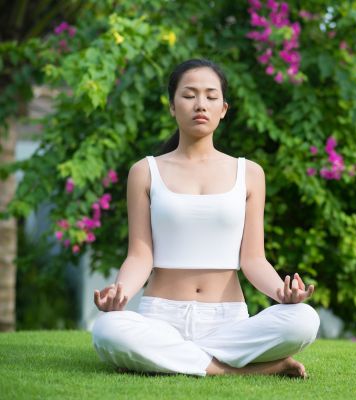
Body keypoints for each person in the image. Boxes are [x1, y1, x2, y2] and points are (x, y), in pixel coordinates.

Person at [92, 59, 319, 378]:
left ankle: (179, 360)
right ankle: (235, 370)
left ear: (223, 108)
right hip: (161, 317)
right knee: (107, 329)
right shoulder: (145, 172)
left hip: (229, 323)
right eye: (189, 95)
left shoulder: (250, 173)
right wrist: (121, 293)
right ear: (172, 106)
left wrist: (281, 294)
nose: (200, 104)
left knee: (304, 320)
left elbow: (253, 260)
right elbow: (140, 255)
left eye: (211, 96)